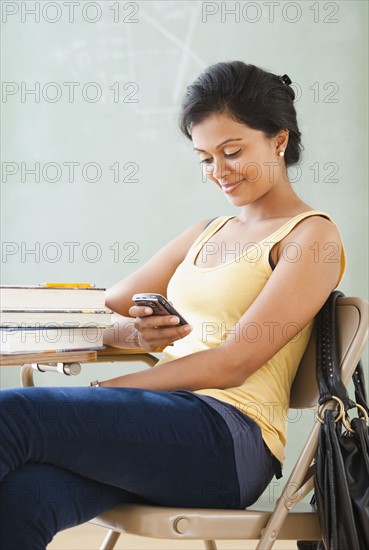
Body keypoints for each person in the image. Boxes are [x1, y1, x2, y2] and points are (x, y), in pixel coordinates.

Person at [0, 61, 346, 549]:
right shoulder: (207, 232)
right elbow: (112, 303)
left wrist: (107, 390)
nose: (218, 172)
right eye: (205, 158)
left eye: (232, 151)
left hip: (229, 440)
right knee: (22, 498)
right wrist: (129, 333)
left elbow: (233, 363)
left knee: (13, 414)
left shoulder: (312, 236)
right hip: (158, 428)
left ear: (279, 140)